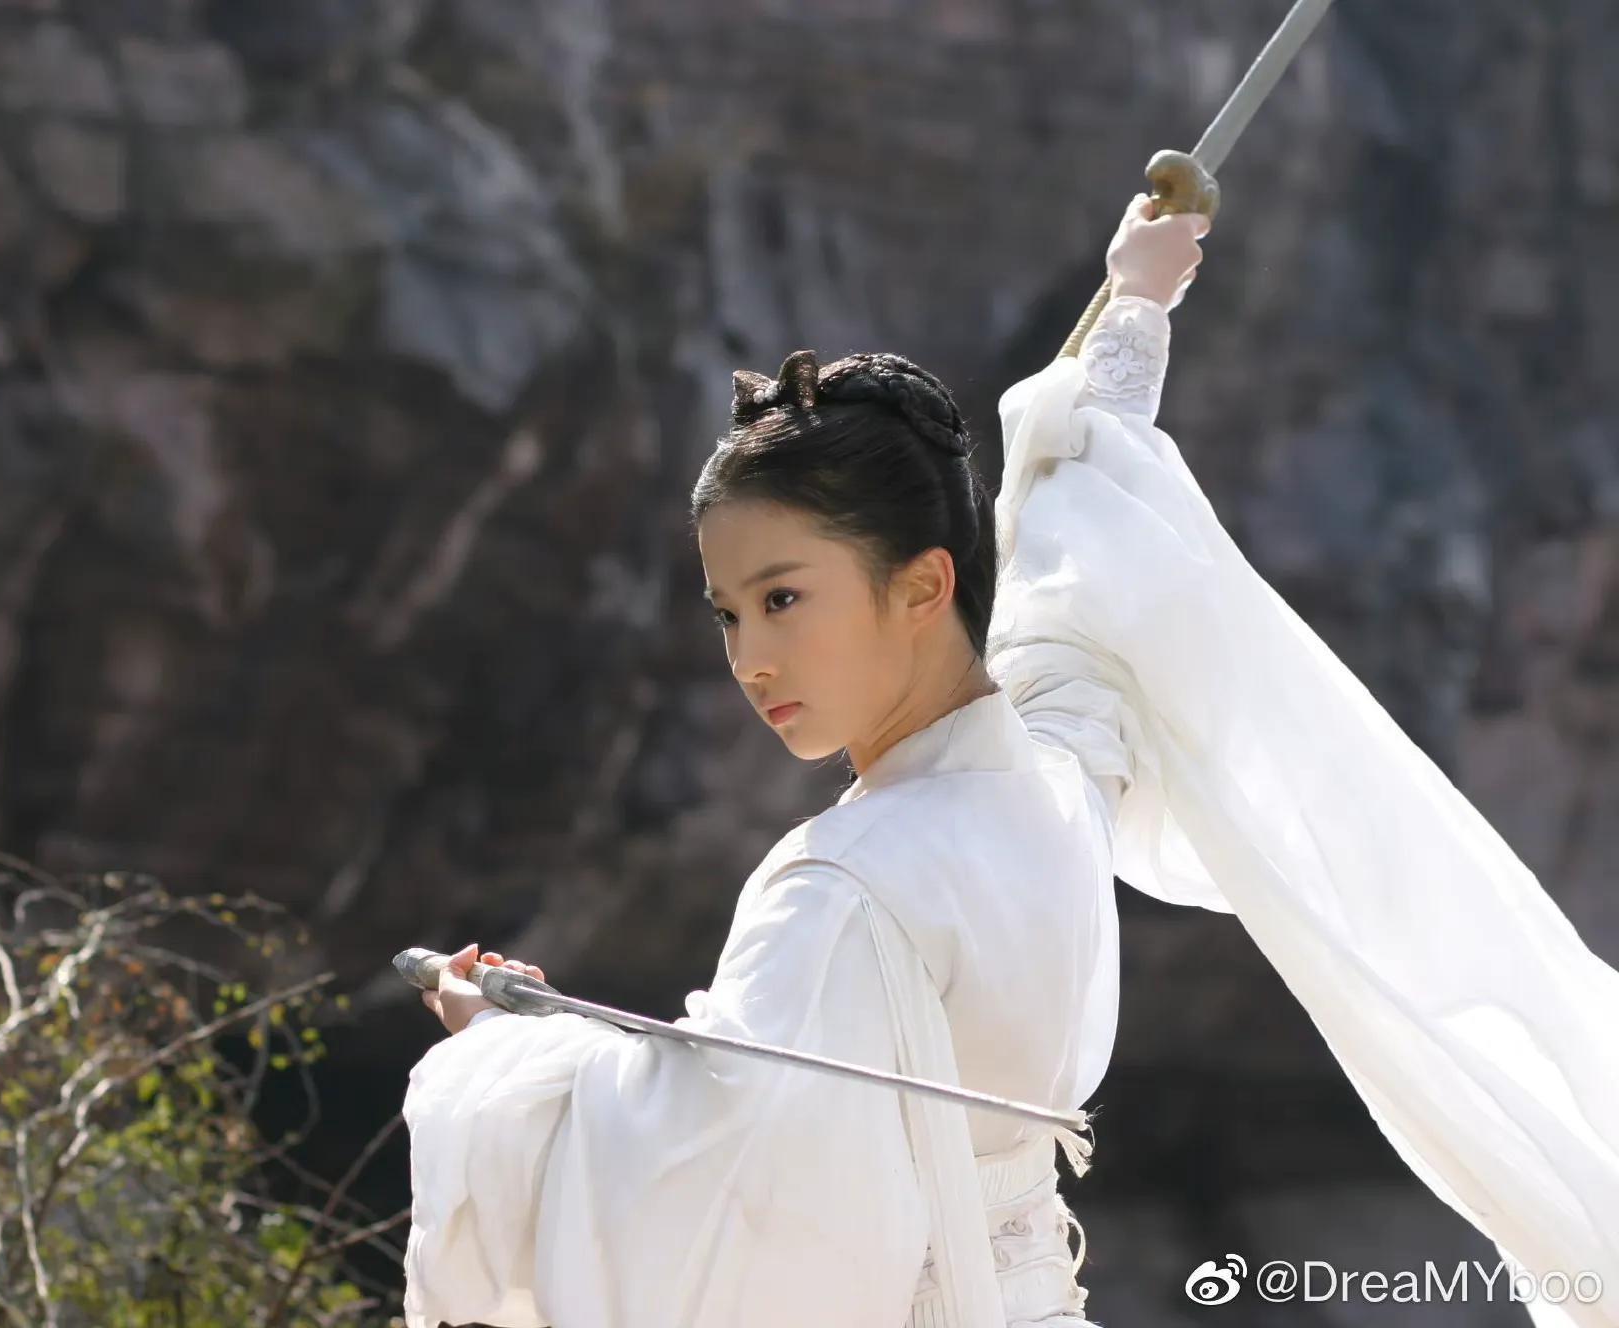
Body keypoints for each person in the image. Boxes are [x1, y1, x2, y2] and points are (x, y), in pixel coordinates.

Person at [402, 189, 1619, 1328]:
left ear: (921, 583)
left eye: (782, 597)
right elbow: (1075, 530)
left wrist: (501, 1045)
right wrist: (1134, 304)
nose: (751, 657)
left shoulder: (840, 886)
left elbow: (695, 1169)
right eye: (726, 612)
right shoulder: (1053, 773)